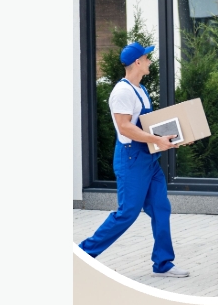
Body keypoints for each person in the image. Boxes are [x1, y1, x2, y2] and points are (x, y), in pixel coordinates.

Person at [79, 42, 191, 278]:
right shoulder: (122, 92)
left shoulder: (140, 89)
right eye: (147, 58)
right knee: (127, 213)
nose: (150, 61)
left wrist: (177, 138)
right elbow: (125, 127)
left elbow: (150, 125)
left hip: (148, 157)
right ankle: (83, 254)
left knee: (161, 208)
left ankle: (163, 263)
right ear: (138, 62)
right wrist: (156, 140)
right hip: (131, 158)